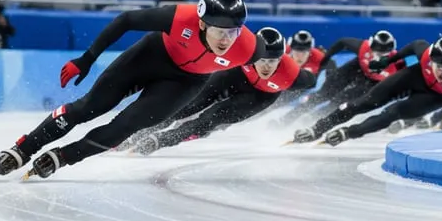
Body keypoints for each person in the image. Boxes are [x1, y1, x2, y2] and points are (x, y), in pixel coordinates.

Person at [0, 0, 265, 180]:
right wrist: (86, 59)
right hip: (151, 56)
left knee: (125, 126)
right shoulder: (180, 17)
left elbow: (267, 74)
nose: (227, 40)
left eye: (233, 32)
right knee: (87, 108)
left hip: (185, 82)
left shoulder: (251, 48)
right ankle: (23, 148)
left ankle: (64, 156)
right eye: (220, 31)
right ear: (203, 24)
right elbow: (126, 20)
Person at [126, 28, 315, 155]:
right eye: (262, 60)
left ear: (281, 59)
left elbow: (312, 81)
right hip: (236, 76)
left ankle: (162, 140)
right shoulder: (241, 49)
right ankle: (136, 132)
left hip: (260, 96)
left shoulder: (293, 75)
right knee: (187, 105)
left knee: (211, 118)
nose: (266, 67)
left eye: (272, 61)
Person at [291, 36, 442, 145]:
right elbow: (414, 44)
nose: (440, 70)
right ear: (430, 58)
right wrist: (387, 60)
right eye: (437, 64)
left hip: (436, 97)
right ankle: (317, 129)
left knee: (391, 114)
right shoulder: (425, 53)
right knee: (363, 103)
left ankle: (349, 133)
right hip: (416, 76)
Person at [288, 30, 402, 127]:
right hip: (357, 68)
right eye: (376, 52)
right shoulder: (363, 47)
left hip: (372, 82)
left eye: (383, 54)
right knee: (324, 93)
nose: (378, 57)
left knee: (341, 100)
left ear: (391, 53)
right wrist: (327, 58)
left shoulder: (399, 62)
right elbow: (342, 42)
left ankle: (316, 117)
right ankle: (289, 117)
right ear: (370, 46)